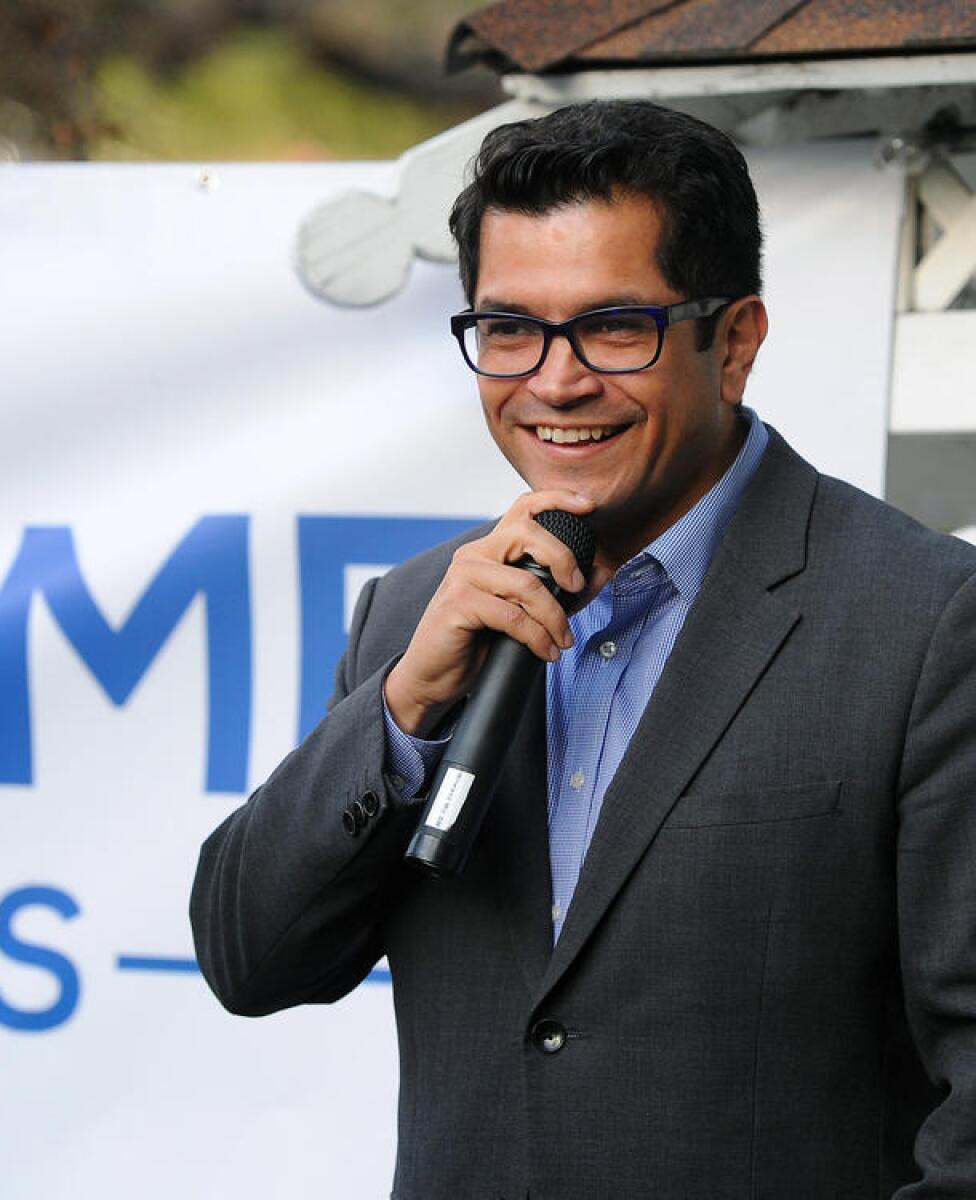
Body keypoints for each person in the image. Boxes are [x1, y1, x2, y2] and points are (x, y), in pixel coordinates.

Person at [190, 101, 976, 1198]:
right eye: (509, 328)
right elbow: (250, 957)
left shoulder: (926, 621)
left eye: (613, 325)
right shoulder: (415, 615)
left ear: (736, 340)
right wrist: (404, 710)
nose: (553, 380)